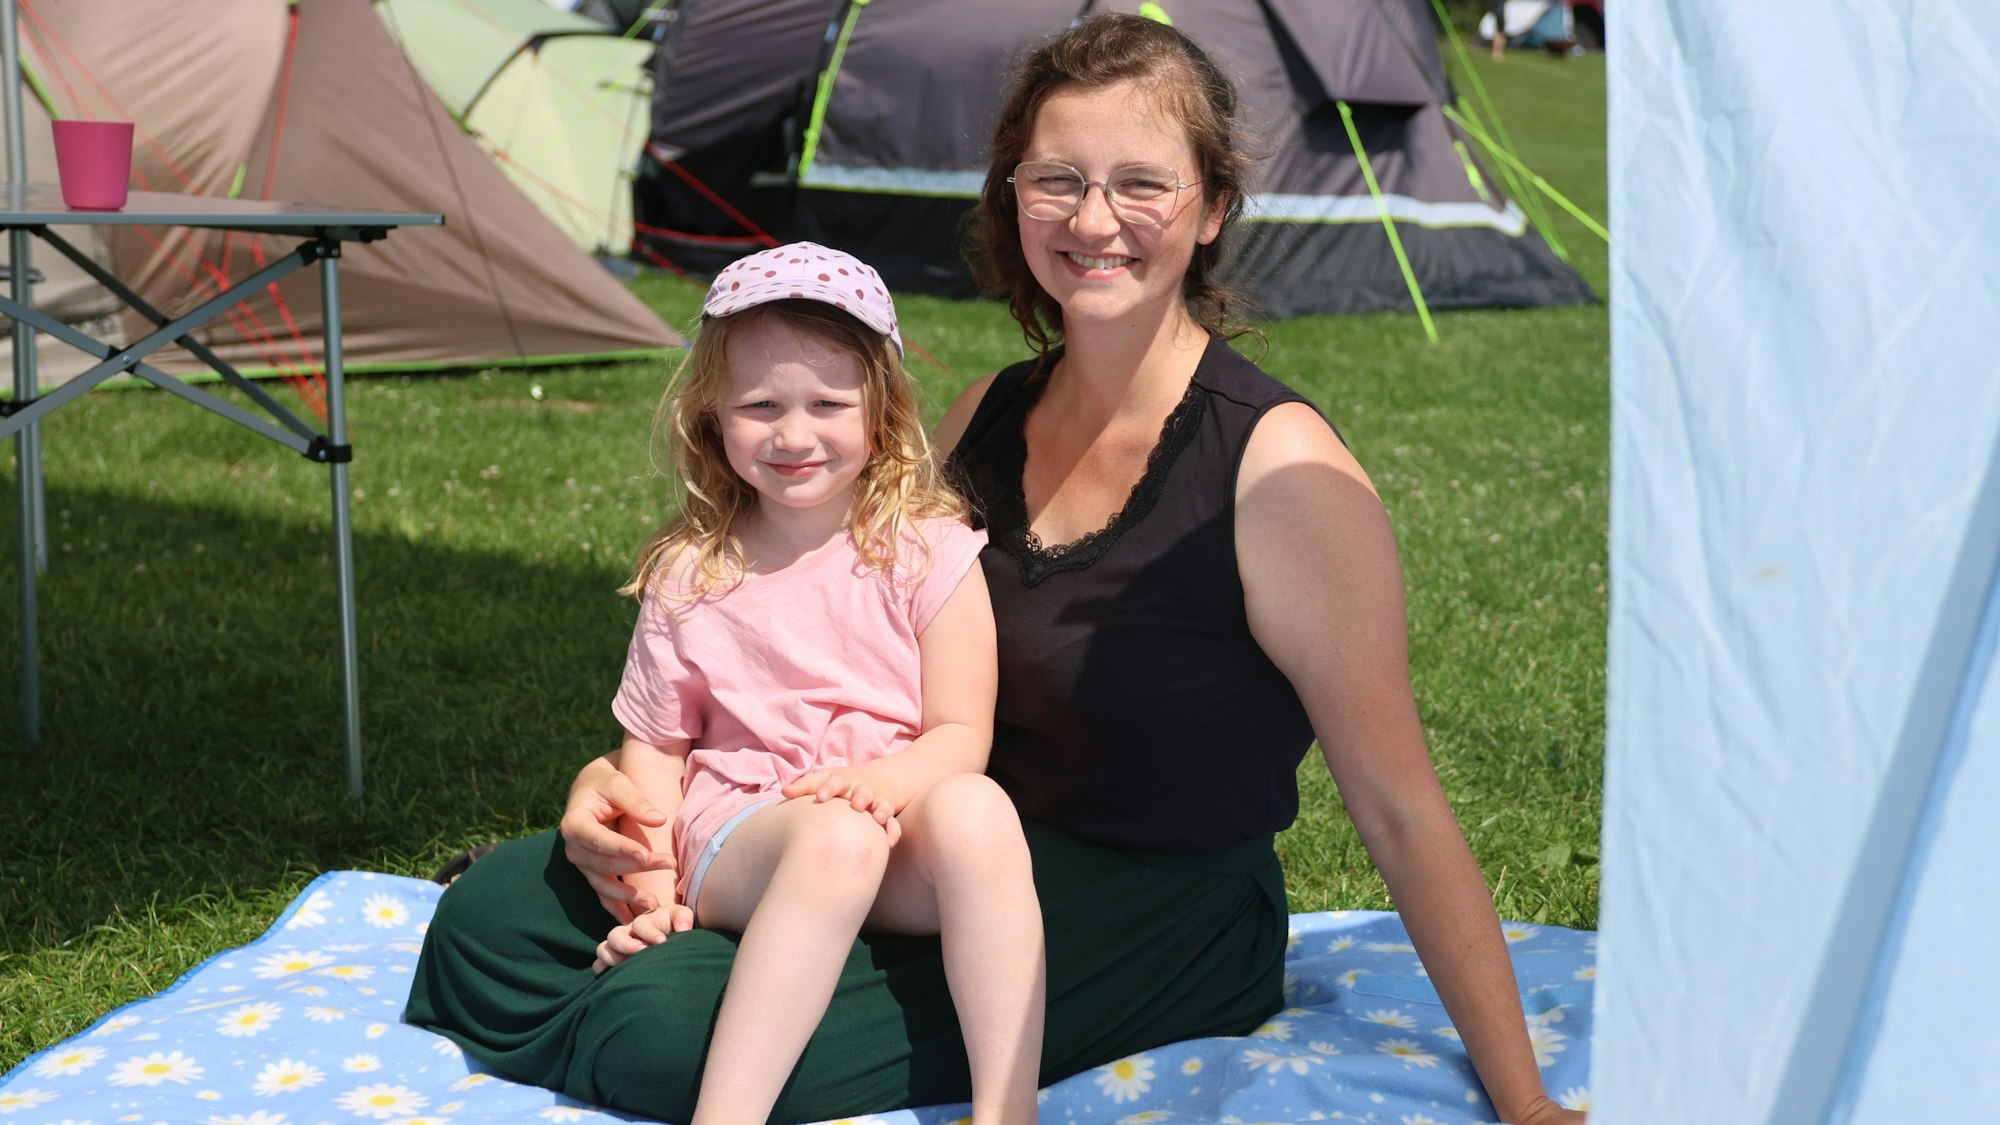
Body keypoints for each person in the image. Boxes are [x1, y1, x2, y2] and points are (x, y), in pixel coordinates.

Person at [407, 15, 1584, 1125]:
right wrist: (615, 789)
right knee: (494, 910)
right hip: (928, 838)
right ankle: (693, 953)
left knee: (655, 1036)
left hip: (1148, 903)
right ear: (1012, 197)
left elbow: (1396, 801)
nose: (1093, 218)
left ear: (1213, 204)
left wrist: (1521, 1100)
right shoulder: (987, 415)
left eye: (1141, 182)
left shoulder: (1278, 472)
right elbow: (819, 625)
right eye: (1055, 179)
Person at [573, 241, 1040, 1125]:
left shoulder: (932, 551)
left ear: (883, 408)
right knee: (836, 840)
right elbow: (657, 754)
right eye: (760, 405)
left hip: (888, 818)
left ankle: (1007, 1108)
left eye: (828, 403)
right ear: (712, 415)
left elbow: (958, 735)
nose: (794, 434)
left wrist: (884, 783)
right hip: (748, 834)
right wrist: (652, 894)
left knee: (981, 810)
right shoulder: (692, 571)